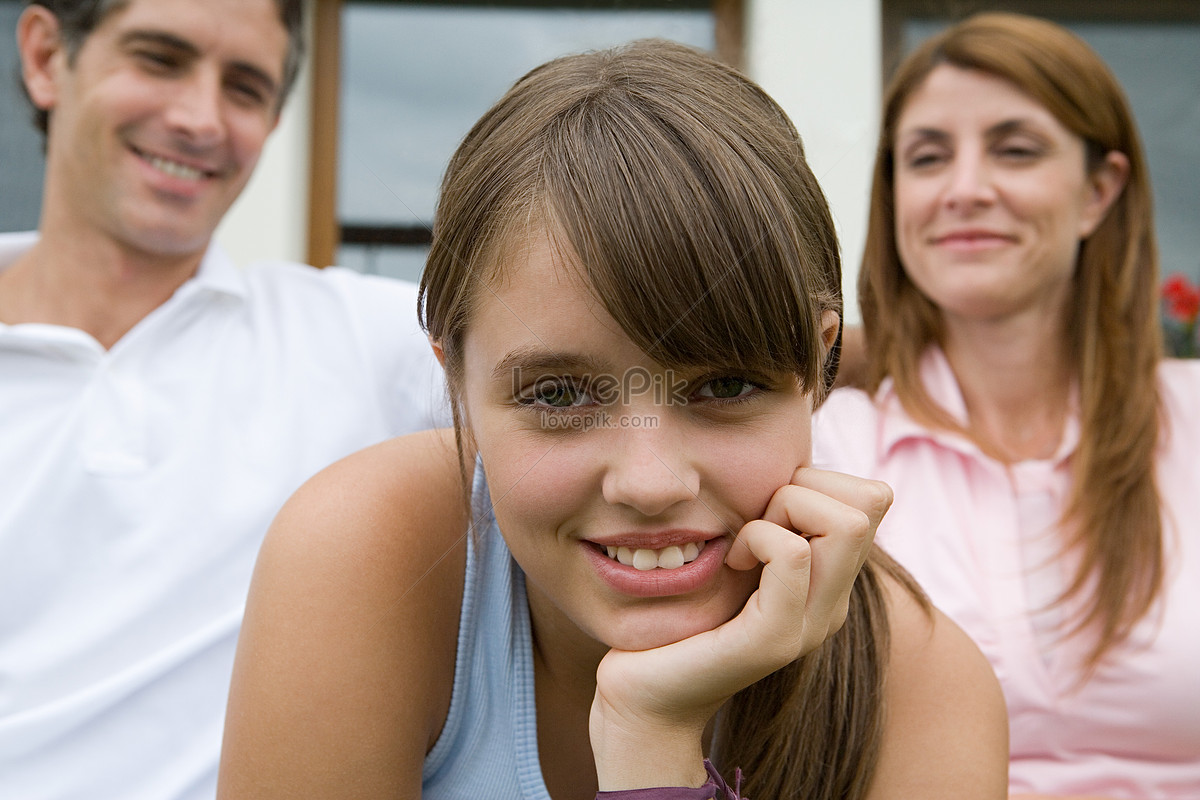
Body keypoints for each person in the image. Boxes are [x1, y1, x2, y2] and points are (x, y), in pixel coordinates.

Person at [217, 39, 1007, 800]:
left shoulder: (918, 691)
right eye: (558, 396)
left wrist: (650, 740)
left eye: (725, 384)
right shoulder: (367, 554)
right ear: (454, 379)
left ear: (820, 363)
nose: (651, 483)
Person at [0, 1, 445, 798]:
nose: (201, 119)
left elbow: (626, 383)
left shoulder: (372, 344)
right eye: (159, 59)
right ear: (43, 57)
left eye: (244, 88)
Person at [812, 12, 1200, 799]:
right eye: (926, 159)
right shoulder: (827, 451)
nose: (964, 190)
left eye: (1014, 150)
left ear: (1100, 191)